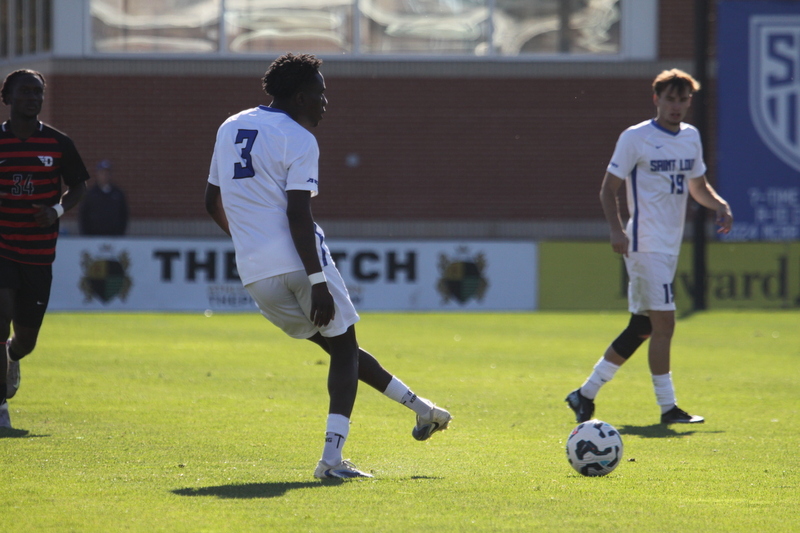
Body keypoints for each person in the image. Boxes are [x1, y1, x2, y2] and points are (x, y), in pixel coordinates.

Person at [204, 53, 451, 479]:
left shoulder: (229, 126)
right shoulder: (299, 138)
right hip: (303, 263)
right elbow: (299, 215)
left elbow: (211, 202)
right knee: (344, 349)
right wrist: (317, 279)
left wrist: (251, 245)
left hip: (256, 274)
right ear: (300, 96)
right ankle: (331, 461)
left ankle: (424, 410)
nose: (325, 102)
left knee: (342, 349)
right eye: (320, 93)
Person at [565, 69, 733, 426]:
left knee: (641, 327)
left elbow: (697, 185)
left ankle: (585, 393)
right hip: (644, 243)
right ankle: (668, 407)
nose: (676, 106)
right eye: (669, 99)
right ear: (656, 99)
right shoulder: (636, 138)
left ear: (690, 100)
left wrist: (719, 204)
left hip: (669, 245)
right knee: (665, 324)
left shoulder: (690, 137)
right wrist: (615, 230)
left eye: (683, 99)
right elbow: (607, 189)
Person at [0, 69, 89, 429]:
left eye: (38, 92)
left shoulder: (58, 143)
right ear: (7, 98)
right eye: (25, 92)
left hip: (38, 254)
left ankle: (12, 357)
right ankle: (1, 407)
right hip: (2, 248)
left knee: (26, 340)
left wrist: (54, 211)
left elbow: (79, 186)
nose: (33, 98)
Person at [79, 159, 129, 236]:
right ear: (97, 174)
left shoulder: (118, 194)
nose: (105, 176)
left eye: (107, 173)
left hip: (114, 237)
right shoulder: (90, 194)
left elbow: (124, 214)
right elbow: (83, 215)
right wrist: (86, 235)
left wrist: (120, 233)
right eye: (102, 173)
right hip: (94, 236)